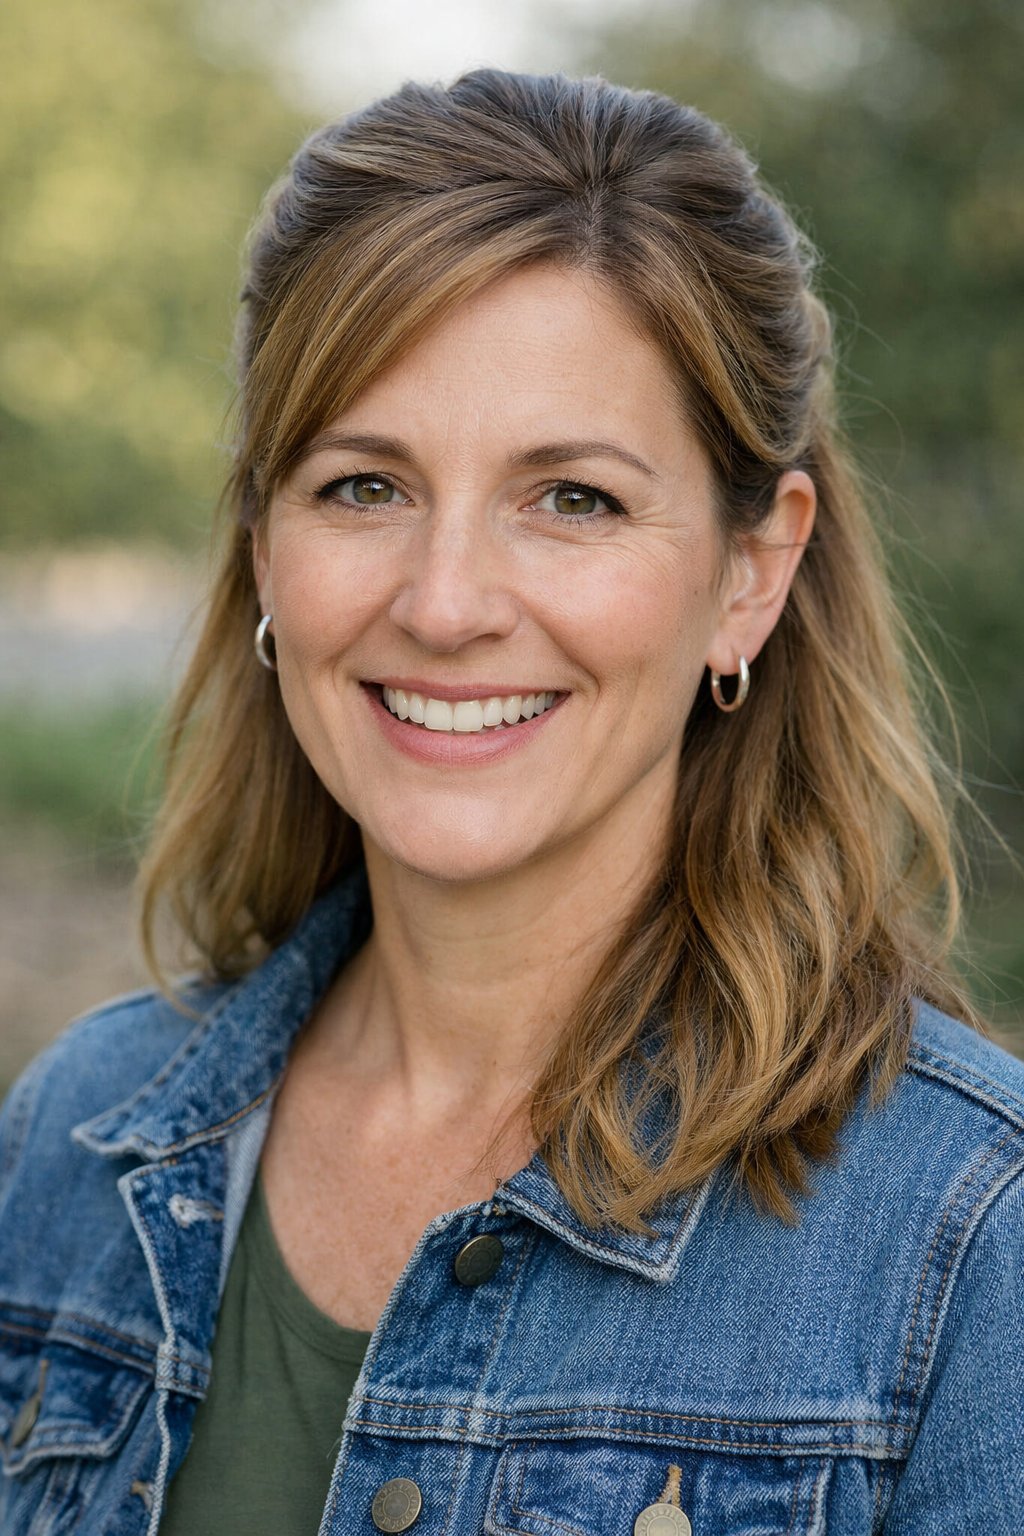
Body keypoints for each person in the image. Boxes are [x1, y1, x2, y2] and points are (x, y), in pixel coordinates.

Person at [1, 68, 1021, 1536]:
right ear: (264, 542)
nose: (445, 603)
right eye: (364, 486)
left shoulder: (970, 1237)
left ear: (751, 573)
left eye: (573, 498)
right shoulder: (75, 1144)